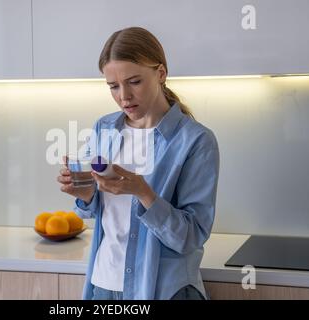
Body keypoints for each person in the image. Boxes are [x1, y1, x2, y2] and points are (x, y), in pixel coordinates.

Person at [57, 27, 220, 300]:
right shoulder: (104, 128)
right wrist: (85, 194)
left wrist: (143, 192)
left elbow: (191, 237)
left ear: (161, 73)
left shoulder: (197, 141)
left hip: (163, 290)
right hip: (104, 285)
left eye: (134, 81)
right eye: (113, 86)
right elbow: (100, 212)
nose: (124, 96)